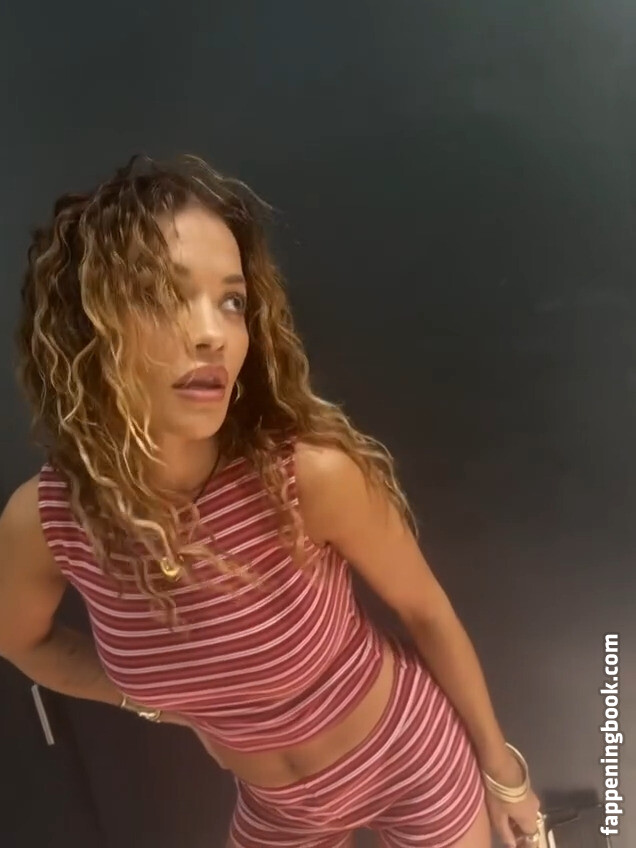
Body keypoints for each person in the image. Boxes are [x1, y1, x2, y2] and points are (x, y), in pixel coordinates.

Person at [0, 154, 542, 848]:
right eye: (163, 294)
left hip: (409, 756)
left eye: (232, 302)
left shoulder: (306, 477)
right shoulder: (47, 524)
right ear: (86, 323)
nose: (213, 334)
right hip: (278, 806)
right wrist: (157, 703)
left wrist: (504, 774)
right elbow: (22, 640)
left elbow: (426, 613)